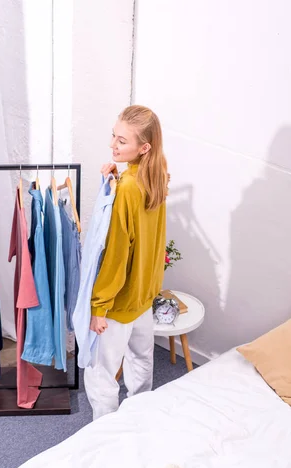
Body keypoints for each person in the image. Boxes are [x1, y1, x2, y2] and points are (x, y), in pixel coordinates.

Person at [84, 105, 168, 420]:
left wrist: (99, 306)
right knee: (141, 358)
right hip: (144, 295)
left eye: (122, 141)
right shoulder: (156, 175)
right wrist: (115, 180)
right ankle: (139, 416)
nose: (113, 145)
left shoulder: (128, 190)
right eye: (113, 136)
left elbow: (117, 254)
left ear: (143, 147)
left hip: (120, 301)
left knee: (100, 372)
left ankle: (105, 434)